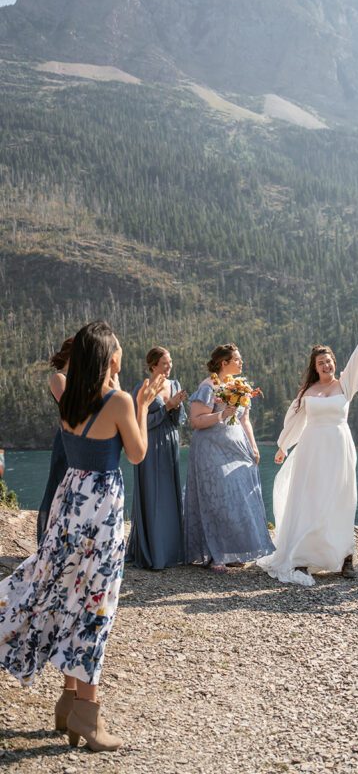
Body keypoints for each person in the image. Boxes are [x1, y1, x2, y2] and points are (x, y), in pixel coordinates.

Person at [0, 320, 161, 751]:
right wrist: (144, 403)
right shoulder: (120, 401)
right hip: (101, 511)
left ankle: (69, 704)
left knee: (71, 595)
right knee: (95, 605)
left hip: (68, 503)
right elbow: (137, 452)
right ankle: (86, 716)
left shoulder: (67, 395)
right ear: (110, 360)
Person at [257, 314, 358, 588]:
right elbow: (295, 420)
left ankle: (345, 556)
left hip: (338, 446)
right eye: (321, 362)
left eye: (329, 361)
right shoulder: (307, 390)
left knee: (340, 498)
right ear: (314, 366)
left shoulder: (345, 384)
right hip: (311, 449)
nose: (326, 364)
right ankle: (301, 554)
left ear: (335, 363)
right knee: (308, 498)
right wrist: (282, 446)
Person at [184, 342, 272, 570]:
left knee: (237, 499)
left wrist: (253, 446)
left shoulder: (239, 386)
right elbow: (196, 421)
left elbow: (244, 419)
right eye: (237, 359)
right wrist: (221, 414)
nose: (241, 362)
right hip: (210, 449)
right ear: (224, 363)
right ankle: (215, 554)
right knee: (217, 499)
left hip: (236, 448)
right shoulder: (208, 386)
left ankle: (233, 551)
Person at [126, 346, 187, 569]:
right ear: (153, 365)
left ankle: (172, 551)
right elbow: (137, 423)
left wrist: (177, 407)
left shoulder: (175, 385)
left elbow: (180, 421)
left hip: (170, 444)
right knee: (152, 495)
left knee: (170, 495)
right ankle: (153, 553)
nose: (169, 366)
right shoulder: (142, 388)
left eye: (170, 362)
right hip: (149, 446)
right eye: (164, 363)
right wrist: (166, 407)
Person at [36, 336, 73, 543]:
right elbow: (69, 407)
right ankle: (49, 539)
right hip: (67, 439)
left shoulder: (78, 378)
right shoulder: (59, 378)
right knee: (59, 485)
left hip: (83, 440)